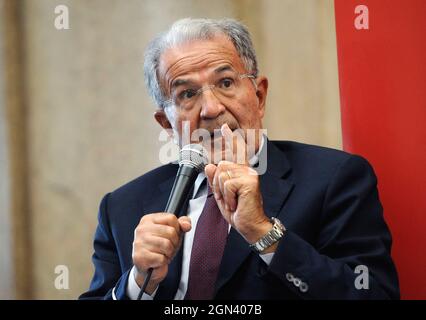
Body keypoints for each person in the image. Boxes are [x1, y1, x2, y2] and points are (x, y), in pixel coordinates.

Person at [80, 18, 399, 300]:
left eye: (226, 83)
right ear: (166, 123)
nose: (211, 109)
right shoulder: (122, 208)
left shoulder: (334, 179)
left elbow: (372, 295)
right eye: (187, 94)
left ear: (259, 96)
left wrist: (262, 233)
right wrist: (137, 284)